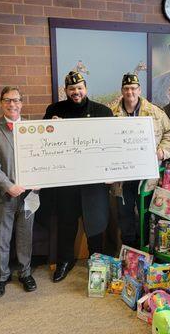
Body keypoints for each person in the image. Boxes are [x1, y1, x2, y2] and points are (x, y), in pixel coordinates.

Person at [43, 71, 113, 282]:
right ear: (66, 91)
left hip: (94, 182)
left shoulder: (103, 111)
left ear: (86, 88)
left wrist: (112, 172)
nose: (76, 92)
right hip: (67, 182)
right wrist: (50, 128)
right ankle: (65, 260)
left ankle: (97, 260)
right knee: (66, 222)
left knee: (96, 223)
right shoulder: (54, 110)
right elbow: (43, 143)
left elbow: (112, 145)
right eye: (72, 89)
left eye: (80, 88)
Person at [0, 86, 37, 298]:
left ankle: (25, 273)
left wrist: (39, 180)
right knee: (2, 239)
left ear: (22, 103)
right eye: (7, 100)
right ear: (1, 103)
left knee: (26, 236)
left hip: (29, 195)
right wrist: (9, 186)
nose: (12, 104)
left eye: (16, 100)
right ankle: (2, 277)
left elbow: (41, 159)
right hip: (3, 195)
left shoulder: (33, 128)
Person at [111, 73, 170, 248]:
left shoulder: (155, 112)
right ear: (122, 91)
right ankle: (128, 250)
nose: (130, 92)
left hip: (147, 176)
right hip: (122, 177)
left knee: (146, 213)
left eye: (133, 88)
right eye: (126, 88)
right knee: (125, 214)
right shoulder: (111, 114)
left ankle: (146, 248)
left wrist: (163, 151)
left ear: (139, 90)